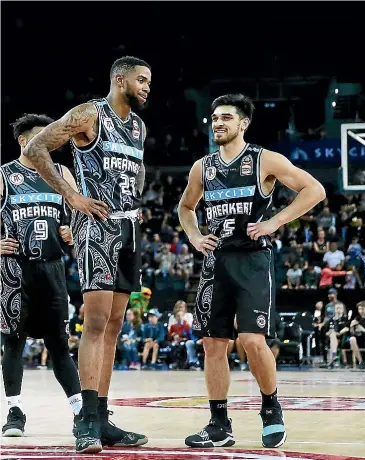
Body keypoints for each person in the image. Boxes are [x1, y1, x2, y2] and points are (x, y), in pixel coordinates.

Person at [178, 93, 325, 448]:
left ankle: (271, 407)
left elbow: (314, 189)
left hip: (253, 261)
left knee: (250, 341)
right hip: (216, 261)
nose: (218, 123)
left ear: (243, 123)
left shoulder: (264, 160)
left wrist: (276, 221)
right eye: (214, 118)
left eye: (226, 118)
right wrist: (196, 237)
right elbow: (185, 207)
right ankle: (219, 424)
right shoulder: (202, 167)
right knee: (213, 344)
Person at [22, 56, 150, 453]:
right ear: (120, 79)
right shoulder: (88, 115)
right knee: (95, 324)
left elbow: (137, 171)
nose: (147, 86)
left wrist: (136, 199)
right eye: (141, 80)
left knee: (114, 327)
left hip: (129, 230)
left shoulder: (139, 126)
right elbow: (38, 148)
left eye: (149, 81)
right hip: (97, 228)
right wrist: (72, 196)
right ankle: (85, 421)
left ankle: (104, 418)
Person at [0, 114, 83, 437]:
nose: (52, 142)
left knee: (59, 343)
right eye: (43, 137)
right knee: (12, 343)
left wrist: (72, 230)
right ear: (25, 141)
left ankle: (80, 410)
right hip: (14, 270)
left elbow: (81, 215)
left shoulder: (61, 174)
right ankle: (14, 411)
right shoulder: (6, 175)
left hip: (53, 268)